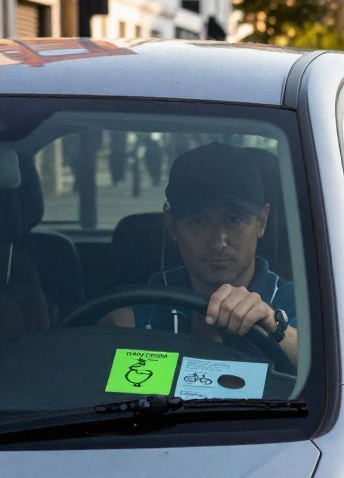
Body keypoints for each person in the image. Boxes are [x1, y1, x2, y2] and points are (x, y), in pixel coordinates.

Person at [103, 142, 298, 366]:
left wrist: (273, 326)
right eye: (198, 222)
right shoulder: (145, 304)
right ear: (172, 226)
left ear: (261, 221)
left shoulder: (300, 302)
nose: (218, 242)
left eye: (233, 220)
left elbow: (327, 360)